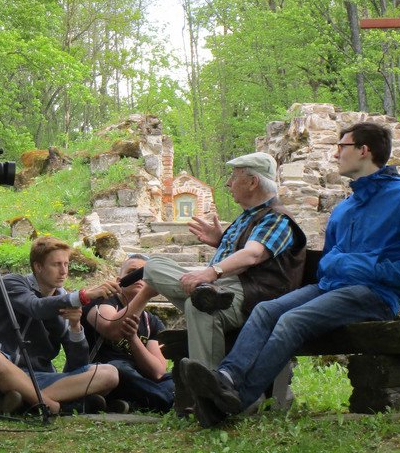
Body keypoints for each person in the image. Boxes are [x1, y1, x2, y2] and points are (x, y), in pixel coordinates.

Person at [180, 122, 400, 427]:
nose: (335, 155)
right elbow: (331, 258)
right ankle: (225, 378)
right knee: (266, 311)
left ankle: (237, 398)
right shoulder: (345, 208)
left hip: (375, 295)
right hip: (330, 288)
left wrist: (369, 269)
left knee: (293, 321)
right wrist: (335, 265)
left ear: (363, 150)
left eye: (341, 147)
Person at [120, 152, 306, 370]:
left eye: (234, 177)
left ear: (253, 182)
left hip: (252, 298)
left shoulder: (276, 218)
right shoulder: (249, 216)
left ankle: (207, 385)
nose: (228, 183)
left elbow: (253, 255)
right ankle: (206, 296)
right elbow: (247, 252)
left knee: (198, 306)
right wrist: (221, 242)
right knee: (154, 266)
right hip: (224, 289)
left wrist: (211, 272)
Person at [0, 236, 122, 415]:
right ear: (38, 267)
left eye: (66, 264)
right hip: (3, 378)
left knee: (109, 373)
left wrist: (75, 326)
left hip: (39, 378)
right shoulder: (13, 283)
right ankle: (56, 404)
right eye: (56, 264)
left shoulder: (64, 299)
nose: (63, 271)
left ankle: (28, 403)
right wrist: (83, 296)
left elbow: (77, 364)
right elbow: (36, 307)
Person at [83, 254, 174, 413]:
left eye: (144, 274)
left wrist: (133, 339)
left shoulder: (151, 322)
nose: (139, 278)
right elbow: (112, 329)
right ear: (119, 279)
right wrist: (145, 294)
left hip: (139, 380)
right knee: (120, 367)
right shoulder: (101, 301)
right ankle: (167, 401)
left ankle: (131, 403)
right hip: (105, 375)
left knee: (174, 377)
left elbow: (158, 371)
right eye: (133, 272)